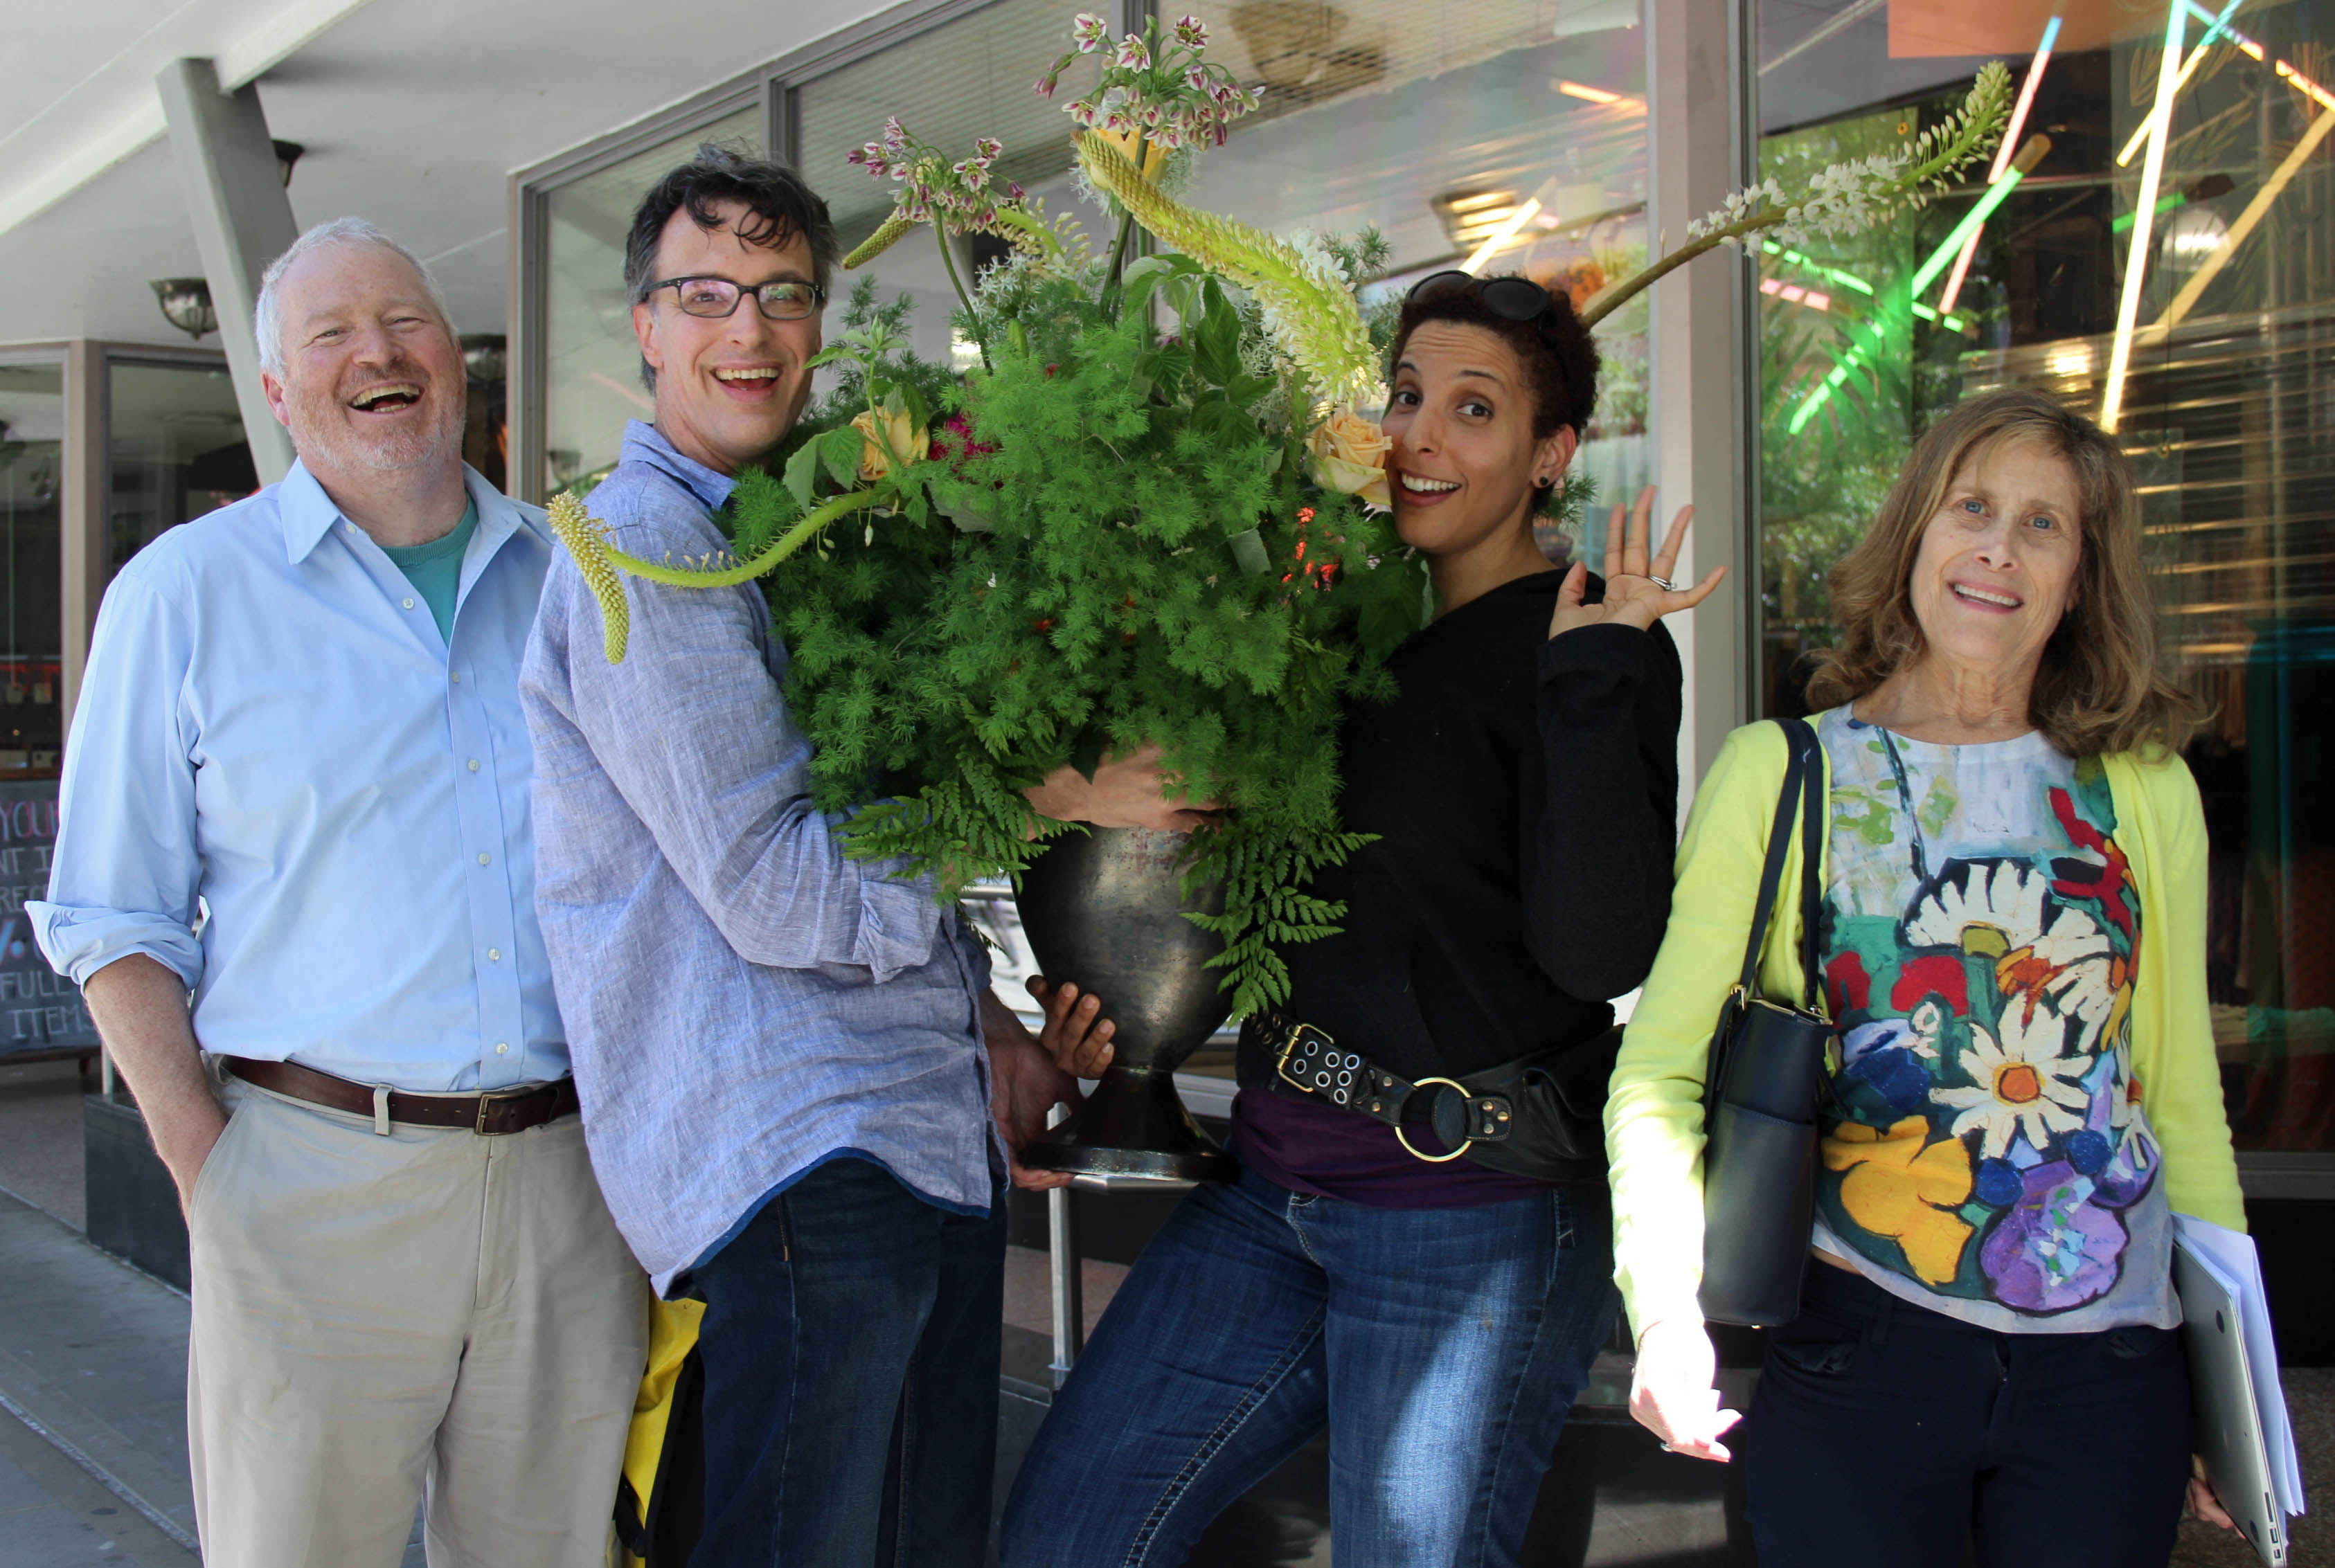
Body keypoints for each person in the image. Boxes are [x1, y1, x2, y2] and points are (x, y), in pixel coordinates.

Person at [519, 144, 1195, 1567]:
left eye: (782, 293)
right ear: (644, 325)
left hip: (906, 1138)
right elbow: (779, 888)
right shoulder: (647, 552)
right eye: (706, 294)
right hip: (795, 1159)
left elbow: (852, 834)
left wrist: (983, 1017)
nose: (749, 331)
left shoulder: (803, 540)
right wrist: (1051, 791)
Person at [999, 271, 1723, 1567]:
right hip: (1271, 1184)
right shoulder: (1324, 626)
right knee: (1069, 1534)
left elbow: (1599, 952)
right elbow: (1193, 854)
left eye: (1474, 408)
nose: (1421, 436)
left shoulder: (1586, 639)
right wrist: (1115, 1004)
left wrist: (1598, 683)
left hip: (1474, 1217)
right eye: (1405, 396)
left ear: (1552, 454)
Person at [29, 218, 645, 1566]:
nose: (377, 351)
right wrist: (213, 1169)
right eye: (331, 334)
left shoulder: (578, 576)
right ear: (277, 390)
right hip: (311, 1176)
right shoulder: (184, 595)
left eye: (405, 322)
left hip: (570, 1182)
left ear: (457, 365)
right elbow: (109, 919)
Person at [1607, 386, 2246, 1563]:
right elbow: (1658, 1073)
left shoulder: (2145, 789)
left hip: (2112, 1373)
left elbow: (2178, 1093)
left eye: (2044, 525)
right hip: (1862, 1352)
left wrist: (2230, 1391)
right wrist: (1664, 1319)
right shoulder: (1781, 772)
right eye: (1973, 506)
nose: (1998, 547)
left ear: (2079, 578)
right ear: (1917, 531)